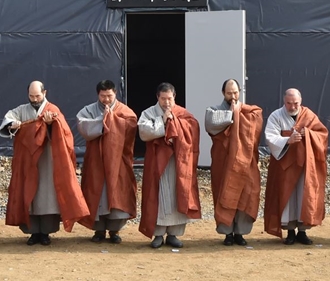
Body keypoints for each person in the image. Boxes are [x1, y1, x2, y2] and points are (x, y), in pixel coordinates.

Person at [0, 81, 89, 246]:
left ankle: (45, 232)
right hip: (27, 161)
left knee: (47, 196)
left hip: (47, 161)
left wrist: (50, 125)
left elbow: (65, 134)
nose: (35, 99)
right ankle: (33, 233)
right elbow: (8, 119)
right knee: (28, 195)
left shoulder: (52, 110)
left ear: (45, 93)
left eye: (37, 96)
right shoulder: (21, 110)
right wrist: (12, 125)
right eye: (31, 96)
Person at [138, 82, 201, 248]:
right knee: (157, 196)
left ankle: (173, 234)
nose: (167, 102)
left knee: (177, 194)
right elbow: (144, 133)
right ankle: (157, 235)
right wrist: (162, 120)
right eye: (163, 98)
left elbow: (192, 128)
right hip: (156, 162)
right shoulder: (148, 113)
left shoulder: (183, 113)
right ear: (157, 97)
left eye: (170, 98)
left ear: (174, 97)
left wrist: (176, 124)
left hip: (177, 162)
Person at [263, 88, 328, 245]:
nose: (292, 107)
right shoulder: (276, 116)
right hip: (285, 165)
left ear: (301, 101)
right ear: (284, 101)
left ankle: (302, 231)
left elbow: (322, 134)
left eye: (295, 103)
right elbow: (270, 137)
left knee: (303, 196)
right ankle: (290, 231)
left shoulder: (309, 116)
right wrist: (287, 140)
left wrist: (309, 134)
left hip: (305, 164)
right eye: (289, 103)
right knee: (288, 196)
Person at [76, 80, 138, 244]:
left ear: (115, 93)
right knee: (96, 193)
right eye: (103, 96)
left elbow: (131, 126)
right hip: (95, 161)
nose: (106, 99)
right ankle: (99, 231)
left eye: (109, 95)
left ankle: (114, 231)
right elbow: (83, 127)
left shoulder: (125, 111)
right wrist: (103, 120)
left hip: (118, 162)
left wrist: (112, 120)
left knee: (118, 194)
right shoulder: (88, 110)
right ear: (98, 95)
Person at [204, 79, 263, 246]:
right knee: (224, 192)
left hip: (245, 161)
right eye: (229, 93)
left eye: (235, 92)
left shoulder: (249, 112)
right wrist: (233, 114)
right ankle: (227, 233)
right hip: (223, 161)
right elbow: (210, 124)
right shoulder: (213, 110)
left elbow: (257, 124)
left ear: (240, 92)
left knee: (245, 193)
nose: (233, 96)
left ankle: (240, 233)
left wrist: (238, 112)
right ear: (223, 93)